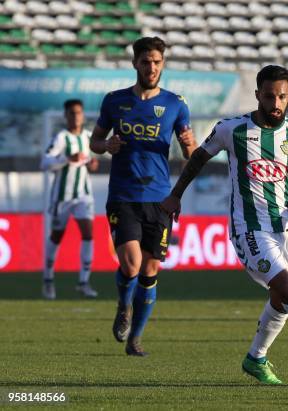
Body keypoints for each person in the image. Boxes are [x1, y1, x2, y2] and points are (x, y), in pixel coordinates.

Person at [161, 65, 288, 384]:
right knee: (284, 286)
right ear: (258, 95)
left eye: (282, 96)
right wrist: (175, 195)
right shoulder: (232, 130)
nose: (276, 103)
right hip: (248, 229)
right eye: (269, 96)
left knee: (285, 296)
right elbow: (199, 157)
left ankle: (256, 359)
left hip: (285, 228)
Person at [89, 37, 196, 356]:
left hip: (160, 198)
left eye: (157, 62)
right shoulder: (114, 101)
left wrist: (190, 144)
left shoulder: (176, 104)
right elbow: (95, 141)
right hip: (123, 194)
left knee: (150, 270)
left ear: (163, 64)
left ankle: (135, 340)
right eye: (146, 61)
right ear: (135, 63)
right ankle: (124, 306)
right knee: (132, 263)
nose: (151, 67)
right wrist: (106, 146)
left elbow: (192, 156)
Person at [41, 99, 99, 300]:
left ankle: (84, 281)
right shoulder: (61, 138)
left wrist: (92, 164)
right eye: (72, 113)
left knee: (88, 233)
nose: (76, 116)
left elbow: (93, 161)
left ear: (83, 115)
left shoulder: (88, 137)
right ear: (66, 116)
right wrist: (66, 159)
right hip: (61, 197)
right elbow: (45, 162)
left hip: (83, 195)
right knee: (56, 236)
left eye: (79, 113)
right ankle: (48, 279)